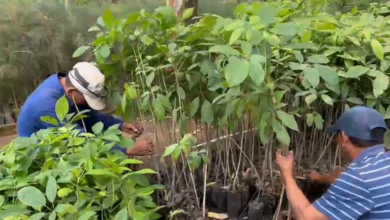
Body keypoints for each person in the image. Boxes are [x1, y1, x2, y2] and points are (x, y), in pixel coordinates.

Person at [276, 106, 390, 220]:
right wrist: (321, 178)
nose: (335, 141)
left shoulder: (358, 178)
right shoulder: (382, 163)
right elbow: (353, 182)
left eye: (336, 135)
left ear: (344, 137)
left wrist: (287, 175)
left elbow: (307, 217)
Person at [17, 62, 153, 156]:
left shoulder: (67, 84)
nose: (88, 104)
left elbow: (90, 115)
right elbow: (79, 141)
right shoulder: (47, 106)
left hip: (63, 135)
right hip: (38, 151)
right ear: (71, 92)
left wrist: (120, 125)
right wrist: (125, 150)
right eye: (87, 99)